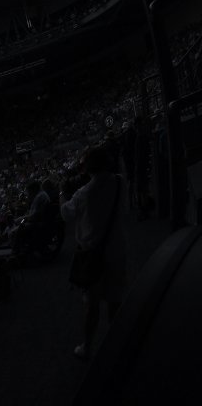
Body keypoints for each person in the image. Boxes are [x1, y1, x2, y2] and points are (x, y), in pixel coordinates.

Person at [61, 146, 128, 360]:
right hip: (117, 249)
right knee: (115, 299)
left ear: (87, 167)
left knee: (92, 304)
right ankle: (116, 342)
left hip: (92, 256)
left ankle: (87, 346)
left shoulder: (83, 194)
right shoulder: (119, 181)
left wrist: (62, 193)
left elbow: (66, 214)